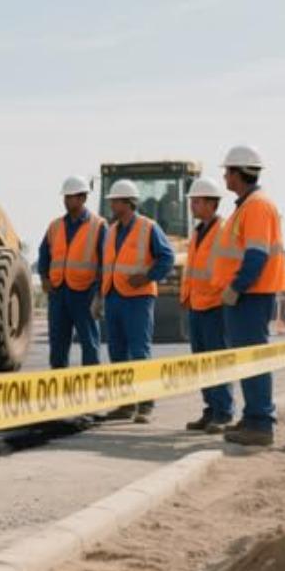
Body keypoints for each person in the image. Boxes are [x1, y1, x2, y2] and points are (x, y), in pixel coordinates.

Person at [213, 144, 285, 447]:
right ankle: (253, 416)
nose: (224, 176)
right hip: (247, 296)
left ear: (238, 173)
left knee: (254, 358)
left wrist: (236, 288)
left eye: (227, 171)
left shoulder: (256, 206)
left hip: (250, 296)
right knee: (246, 359)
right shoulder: (246, 205)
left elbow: (255, 256)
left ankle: (260, 422)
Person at [100, 179, 175, 423]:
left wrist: (147, 277)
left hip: (138, 299)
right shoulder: (111, 231)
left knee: (139, 352)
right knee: (117, 353)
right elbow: (107, 267)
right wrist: (98, 298)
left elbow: (167, 258)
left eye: (115, 200)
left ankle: (145, 404)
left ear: (127, 202)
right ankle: (125, 404)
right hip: (113, 297)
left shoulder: (148, 227)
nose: (111, 203)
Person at [181, 177, 234, 433]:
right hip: (197, 304)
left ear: (212, 203)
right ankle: (210, 409)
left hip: (215, 305)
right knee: (201, 363)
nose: (192, 205)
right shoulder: (198, 232)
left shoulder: (224, 231)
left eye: (197, 201)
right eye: (192, 200)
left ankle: (223, 413)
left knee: (218, 361)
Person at [38, 175, 106, 369]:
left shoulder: (98, 226)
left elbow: (105, 263)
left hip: (85, 293)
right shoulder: (55, 226)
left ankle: (91, 388)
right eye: (65, 197)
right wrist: (44, 277)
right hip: (58, 293)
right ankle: (60, 389)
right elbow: (44, 253)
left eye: (72, 197)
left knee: (89, 343)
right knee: (58, 343)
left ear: (83, 198)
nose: (67, 201)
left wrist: (100, 295)